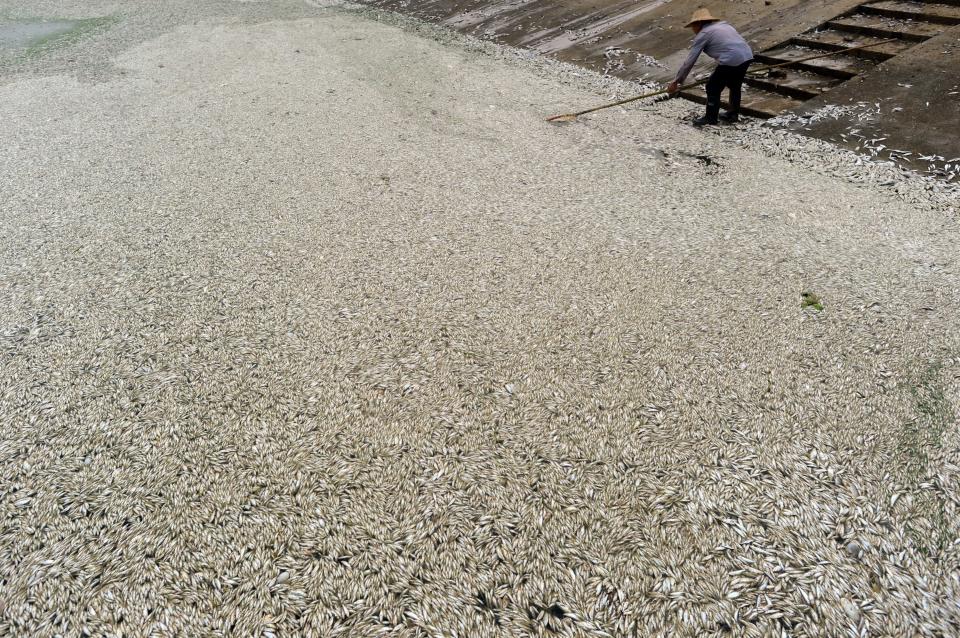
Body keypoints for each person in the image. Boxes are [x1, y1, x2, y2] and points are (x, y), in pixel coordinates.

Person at [667, 8, 753, 126]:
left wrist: (676, 81)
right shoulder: (725, 25)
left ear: (699, 24)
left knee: (712, 87)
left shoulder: (703, 34)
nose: (693, 29)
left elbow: (690, 61)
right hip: (747, 56)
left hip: (731, 59)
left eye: (693, 26)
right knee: (735, 85)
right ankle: (733, 114)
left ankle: (710, 118)